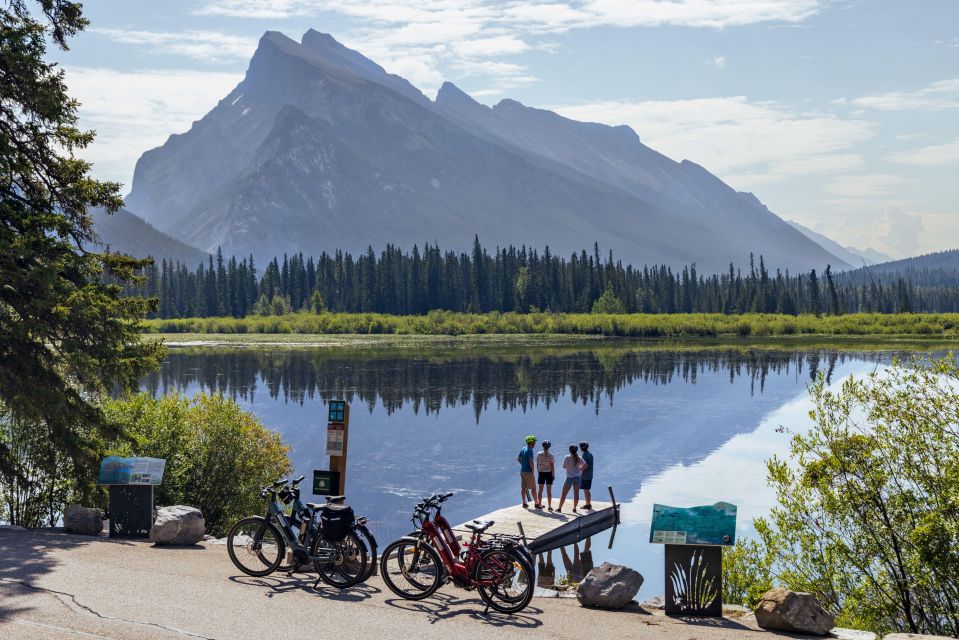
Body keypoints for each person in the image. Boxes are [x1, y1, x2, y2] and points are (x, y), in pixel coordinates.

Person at [557, 443, 587, 513]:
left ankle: (559, 508)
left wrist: (568, 467)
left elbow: (564, 467)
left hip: (569, 478)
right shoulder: (579, 458)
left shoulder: (567, 457)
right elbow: (585, 465)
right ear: (576, 450)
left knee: (564, 494)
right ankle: (574, 508)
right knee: (576, 494)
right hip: (577, 478)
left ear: (569, 450)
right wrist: (580, 469)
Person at [517, 435, 537, 508]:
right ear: (531, 442)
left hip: (522, 471)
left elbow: (518, 459)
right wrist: (533, 470)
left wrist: (523, 464)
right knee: (533, 488)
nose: (535, 443)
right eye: (534, 442)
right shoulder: (530, 450)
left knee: (523, 488)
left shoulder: (523, 448)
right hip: (528, 472)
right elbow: (531, 461)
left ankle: (524, 503)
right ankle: (537, 503)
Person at [535, 440, 555, 510]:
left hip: (541, 473)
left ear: (543, 447)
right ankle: (549, 506)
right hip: (548, 473)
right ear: (549, 447)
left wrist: (538, 472)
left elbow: (537, 465)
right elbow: (552, 466)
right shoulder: (551, 456)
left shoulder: (539, 454)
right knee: (549, 491)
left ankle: (540, 505)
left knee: (540, 490)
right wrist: (553, 475)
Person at [579, 441, 594, 510]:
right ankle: (588, 503)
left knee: (586, 490)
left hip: (585, 476)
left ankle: (588, 504)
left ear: (581, 448)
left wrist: (579, 471)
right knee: (587, 490)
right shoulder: (590, 454)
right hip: (590, 475)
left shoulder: (584, 455)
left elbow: (585, 466)